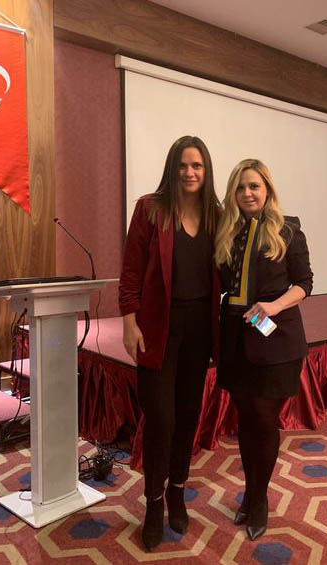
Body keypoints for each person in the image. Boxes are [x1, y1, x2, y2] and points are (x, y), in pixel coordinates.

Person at [119, 136, 221, 550]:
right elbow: (130, 270)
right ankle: (153, 503)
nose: (190, 172)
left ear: (206, 170)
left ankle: (177, 491)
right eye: (183, 165)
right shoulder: (150, 209)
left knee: (188, 415)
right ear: (172, 168)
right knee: (160, 418)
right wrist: (129, 322)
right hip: (158, 327)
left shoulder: (216, 215)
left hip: (200, 330)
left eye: (197, 166)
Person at [214, 159, 313, 541]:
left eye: (254, 186)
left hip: (276, 339)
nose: (247, 193)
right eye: (240, 188)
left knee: (264, 417)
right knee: (245, 418)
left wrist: (272, 306)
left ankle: (258, 500)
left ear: (267, 189)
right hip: (236, 339)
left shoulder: (288, 230)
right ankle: (250, 493)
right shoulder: (228, 233)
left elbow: (304, 284)